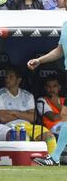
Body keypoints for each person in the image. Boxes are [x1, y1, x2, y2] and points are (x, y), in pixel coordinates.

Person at [0, 66, 57, 154]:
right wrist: (24, 114)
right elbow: (2, 118)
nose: (7, 79)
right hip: (10, 127)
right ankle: (26, 165)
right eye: (6, 77)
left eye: (11, 77)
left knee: (50, 137)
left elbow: (32, 118)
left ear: (18, 80)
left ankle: (50, 163)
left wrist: (13, 112)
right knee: (23, 139)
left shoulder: (28, 95)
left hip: (29, 126)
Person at [27, 25, 67, 165]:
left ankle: (55, 158)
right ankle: (55, 158)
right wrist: (40, 60)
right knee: (65, 119)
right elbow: (60, 50)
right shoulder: (65, 25)